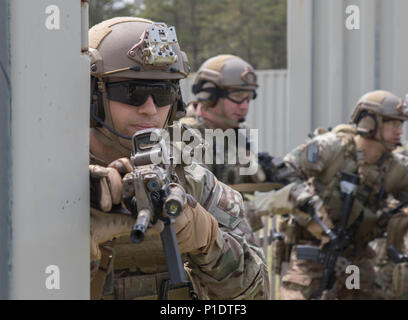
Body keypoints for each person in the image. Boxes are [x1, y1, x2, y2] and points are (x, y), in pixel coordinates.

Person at [87, 17, 269, 300]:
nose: (150, 109)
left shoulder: (193, 182)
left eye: (162, 92)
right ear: (91, 94)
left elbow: (258, 293)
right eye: (131, 92)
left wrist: (208, 240)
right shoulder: (42, 183)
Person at [253, 90, 408, 299]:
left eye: (401, 125)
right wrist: (305, 200)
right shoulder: (331, 147)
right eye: (394, 124)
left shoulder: (395, 168)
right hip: (312, 253)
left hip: (356, 259)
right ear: (369, 123)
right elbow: (285, 170)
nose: (400, 131)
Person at [180, 54, 283, 232]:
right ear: (210, 95)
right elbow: (199, 210)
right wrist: (267, 205)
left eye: (248, 98)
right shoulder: (186, 136)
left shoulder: (237, 135)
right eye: (237, 96)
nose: (244, 106)